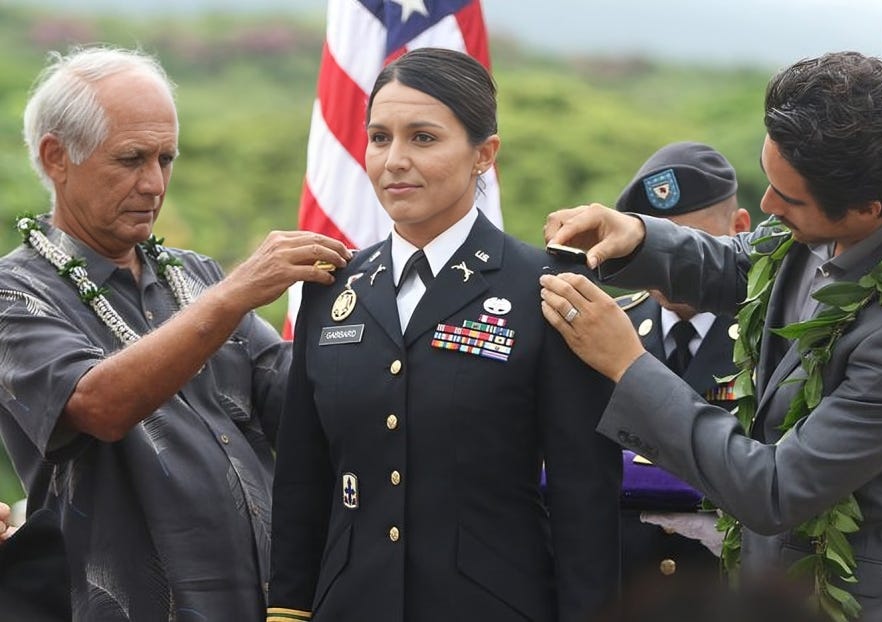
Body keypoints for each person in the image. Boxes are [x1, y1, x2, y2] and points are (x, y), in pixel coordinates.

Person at [540, 51, 882, 621]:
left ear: (867, 209)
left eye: (789, 199)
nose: (765, 206)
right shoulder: (814, 224)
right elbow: (742, 264)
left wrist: (629, 366)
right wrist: (635, 236)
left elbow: (776, 488)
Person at [268, 47, 622, 622]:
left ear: (484, 154)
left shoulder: (547, 288)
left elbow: (585, 494)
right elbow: (304, 481)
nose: (394, 160)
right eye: (379, 137)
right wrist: (288, 611)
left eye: (423, 138)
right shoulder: (330, 289)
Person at [0, 46, 352, 621]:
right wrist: (235, 293)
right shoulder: (15, 292)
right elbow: (99, 403)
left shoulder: (193, 276)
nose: (154, 183)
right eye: (131, 158)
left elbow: (299, 397)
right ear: (56, 157)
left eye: (166, 159)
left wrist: (404, 303)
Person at [612, 142, 750, 590]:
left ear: (740, 227)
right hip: (625, 591)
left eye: (687, 245)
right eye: (653, 244)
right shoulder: (609, 327)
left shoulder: (770, 334)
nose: (667, 265)